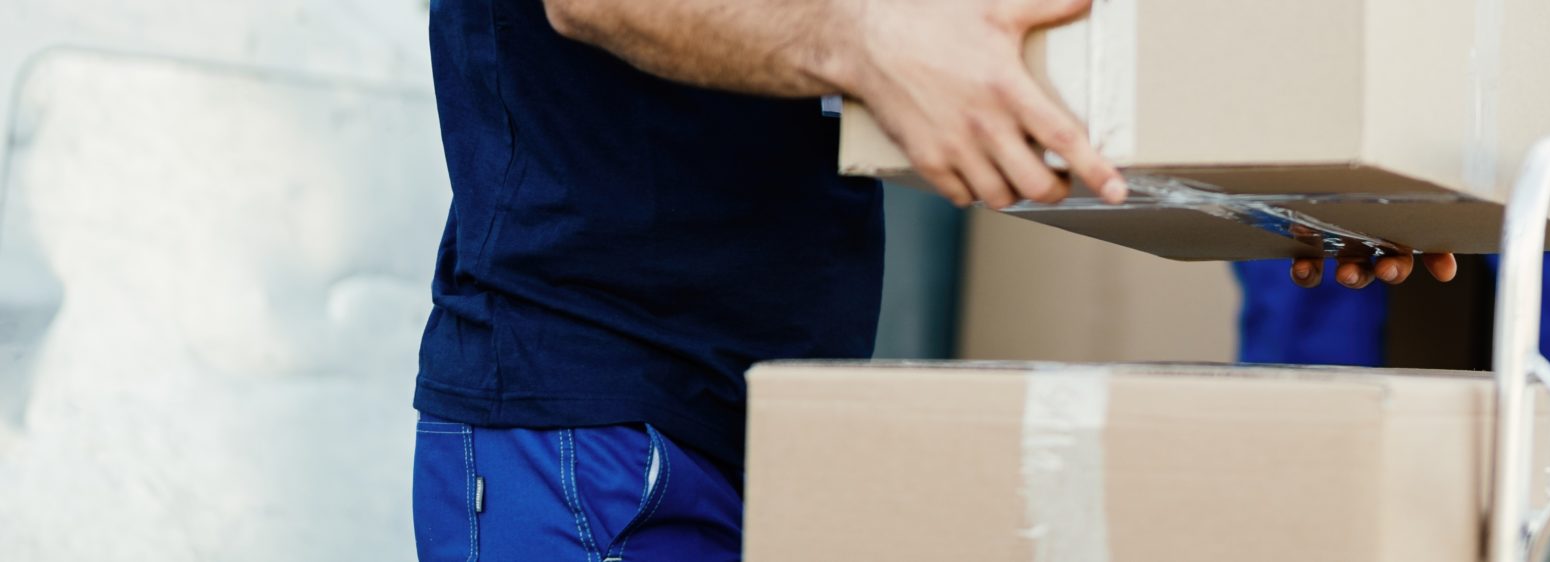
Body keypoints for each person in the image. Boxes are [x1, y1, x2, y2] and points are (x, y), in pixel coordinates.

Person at [408, 0, 1450, 559]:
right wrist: (861, 36)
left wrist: (1290, 182)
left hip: (781, 419)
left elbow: (995, 52)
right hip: (592, 422)